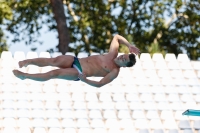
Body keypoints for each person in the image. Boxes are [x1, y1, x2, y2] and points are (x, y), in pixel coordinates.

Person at [13, 34, 140, 87]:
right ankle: (27, 61)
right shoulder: (113, 53)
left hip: (79, 71)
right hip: (77, 60)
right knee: (53, 60)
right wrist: (129, 46)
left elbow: (100, 84)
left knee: (54, 73)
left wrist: (85, 80)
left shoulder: (114, 71)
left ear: (124, 65)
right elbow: (117, 37)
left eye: (123, 59)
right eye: (123, 55)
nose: (120, 57)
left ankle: (25, 76)